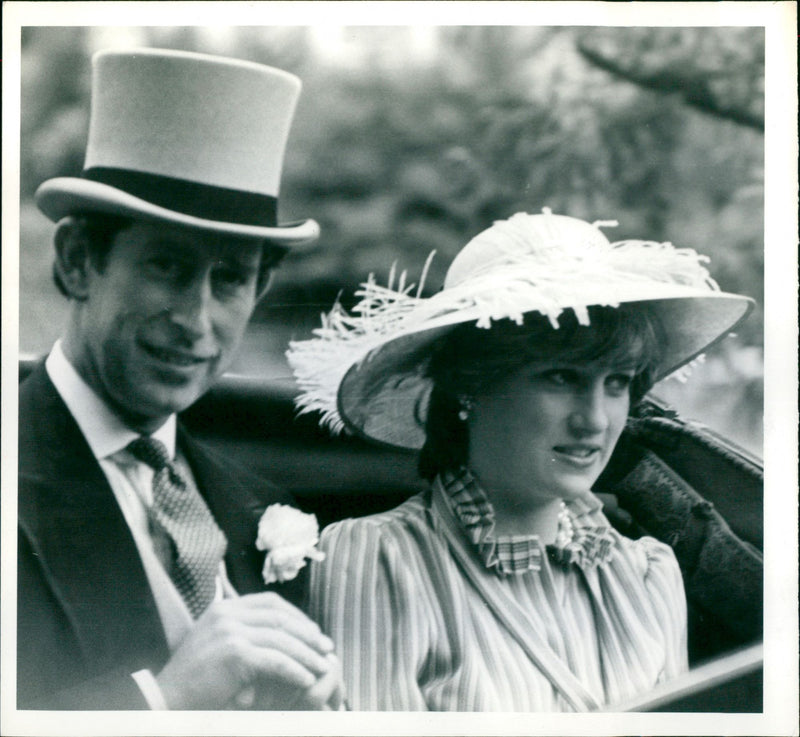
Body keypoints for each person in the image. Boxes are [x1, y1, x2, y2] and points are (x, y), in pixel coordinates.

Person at [288, 210, 754, 711]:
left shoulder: (645, 575)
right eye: (561, 378)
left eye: (616, 383)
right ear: (472, 382)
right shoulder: (380, 561)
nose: (595, 420)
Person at [18, 48, 343, 711]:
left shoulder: (249, 503)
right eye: (167, 265)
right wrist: (162, 701)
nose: (197, 319)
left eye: (229, 278)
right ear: (79, 261)